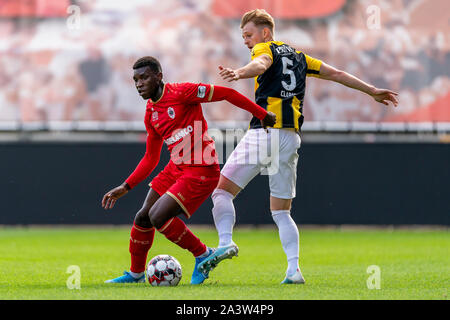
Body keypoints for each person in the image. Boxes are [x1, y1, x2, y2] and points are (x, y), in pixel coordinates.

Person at [198, 9, 399, 284]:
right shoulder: (302, 57)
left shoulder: (264, 49)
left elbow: (261, 63)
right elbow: (337, 73)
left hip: (265, 132)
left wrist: (239, 72)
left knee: (221, 192)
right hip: (290, 138)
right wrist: (372, 90)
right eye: (244, 36)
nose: (246, 41)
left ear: (265, 32)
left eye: (248, 34)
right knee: (281, 211)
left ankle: (225, 242)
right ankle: (294, 271)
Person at [102, 56, 276, 285]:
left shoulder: (182, 92)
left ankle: (203, 254)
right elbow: (151, 158)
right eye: (135, 79)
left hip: (201, 169)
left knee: (158, 216)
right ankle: (135, 274)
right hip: (176, 167)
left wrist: (262, 114)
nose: (139, 84)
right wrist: (126, 186)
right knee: (143, 218)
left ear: (159, 76)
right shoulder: (151, 113)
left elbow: (227, 94)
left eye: (144, 77)